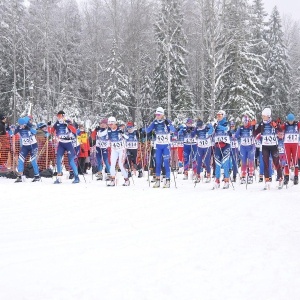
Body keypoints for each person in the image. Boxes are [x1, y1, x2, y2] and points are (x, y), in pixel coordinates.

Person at [145, 107, 175, 188]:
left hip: (166, 146)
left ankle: (168, 181)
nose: (157, 116)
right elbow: (147, 130)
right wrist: (146, 124)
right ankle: (158, 180)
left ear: (162, 115)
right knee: (157, 163)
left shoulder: (166, 121)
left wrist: (168, 124)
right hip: (158, 146)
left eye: (158, 114)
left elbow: (173, 130)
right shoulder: (155, 122)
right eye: (156, 114)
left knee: (166, 163)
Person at [254, 108, 283, 189]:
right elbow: (255, 133)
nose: (263, 117)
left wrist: (277, 126)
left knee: (276, 163)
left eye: (264, 116)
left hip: (274, 146)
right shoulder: (262, 124)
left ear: (268, 116)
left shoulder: (273, 122)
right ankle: (267, 182)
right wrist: (253, 126)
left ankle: (280, 179)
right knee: (265, 164)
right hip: (265, 146)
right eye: (262, 116)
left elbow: (280, 131)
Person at [98, 116, 130, 186]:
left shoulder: (119, 129)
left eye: (112, 124)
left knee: (121, 165)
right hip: (114, 150)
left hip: (122, 149)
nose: (110, 126)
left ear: (115, 123)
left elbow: (127, 137)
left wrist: (123, 134)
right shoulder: (108, 130)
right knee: (112, 165)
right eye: (109, 124)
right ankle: (112, 180)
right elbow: (100, 134)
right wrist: (100, 130)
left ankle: (126, 179)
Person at [51, 110, 80, 184]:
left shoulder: (68, 121)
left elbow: (74, 131)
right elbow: (52, 130)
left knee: (71, 161)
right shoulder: (57, 123)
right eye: (58, 116)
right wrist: (50, 131)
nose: (59, 118)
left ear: (63, 116)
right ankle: (59, 177)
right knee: (58, 159)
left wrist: (68, 125)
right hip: (61, 143)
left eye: (60, 116)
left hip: (69, 143)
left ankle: (76, 177)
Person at [11, 116, 40, 182]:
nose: (22, 126)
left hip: (33, 146)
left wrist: (29, 128)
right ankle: (20, 176)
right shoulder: (19, 127)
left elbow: (35, 132)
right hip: (25, 146)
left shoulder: (30, 126)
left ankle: (37, 176)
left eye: (23, 125)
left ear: (25, 123)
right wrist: (12, 130)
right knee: (20, 160)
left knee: (33, 161)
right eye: (20, 125)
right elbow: (12, 133)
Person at [234, 115, 256, 184]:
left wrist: (254, 126)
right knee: (243, 161)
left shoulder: (251, 127)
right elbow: (236, 135)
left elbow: (256, 132)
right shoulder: (241, 128)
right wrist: (236, 134)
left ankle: (250, 175)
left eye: (246, 121)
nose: (245, 123)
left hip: (251, 146)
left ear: (248, 121)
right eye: (243, 122)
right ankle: (243, 176)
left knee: (250, 160)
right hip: (243, 146)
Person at [213, 110, 231, 189]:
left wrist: (218, 126)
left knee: (225, 163)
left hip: (225, 145)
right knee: (217, 164)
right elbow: (210, 133)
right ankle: (217, 180)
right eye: (217, 115)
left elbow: (226, 129)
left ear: (223, 115)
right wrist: (212, 128)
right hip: (217, 145)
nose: (218, 117)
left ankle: (226, 181)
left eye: (220, 115)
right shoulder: (215, 123)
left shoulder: (226, 122)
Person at [280, 113, 300, 185]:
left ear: (294, 119)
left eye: (292, 120)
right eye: (289, 120)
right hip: (287, 144)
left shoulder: (297, 124)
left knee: (295, 161)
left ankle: (296, 177)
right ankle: (286, 177)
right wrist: (277, 124)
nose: (290, 122)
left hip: (295, 144)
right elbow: (279, 128)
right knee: (287, 161)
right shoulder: (285, 125)